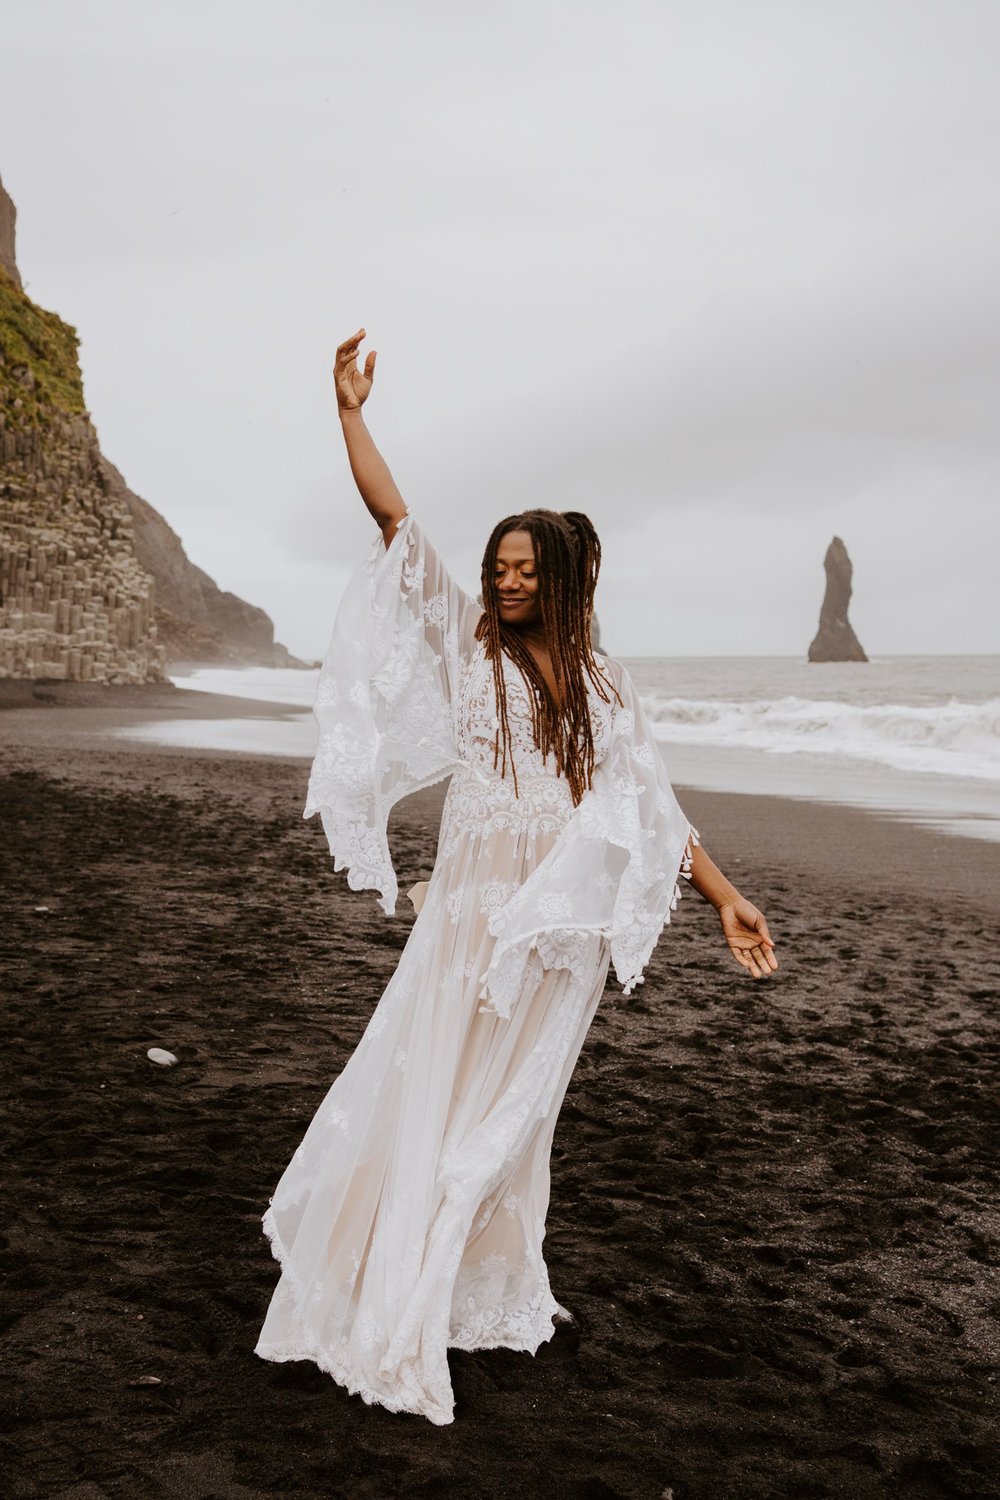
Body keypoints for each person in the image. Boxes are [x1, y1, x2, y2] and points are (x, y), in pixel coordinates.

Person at [254, 329, 778, 1426]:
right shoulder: (469, 646)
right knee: (430, 1093)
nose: (503, 581)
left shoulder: (599, 681)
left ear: (563, 580)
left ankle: (464, 1278)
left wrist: (724, 896)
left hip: (556, 935)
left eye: (522, 570)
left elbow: (649, 806)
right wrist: (348, 412)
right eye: (497, 567)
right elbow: (396, 524)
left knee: (510, 1114)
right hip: (468, 922)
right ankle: (392, 1275)